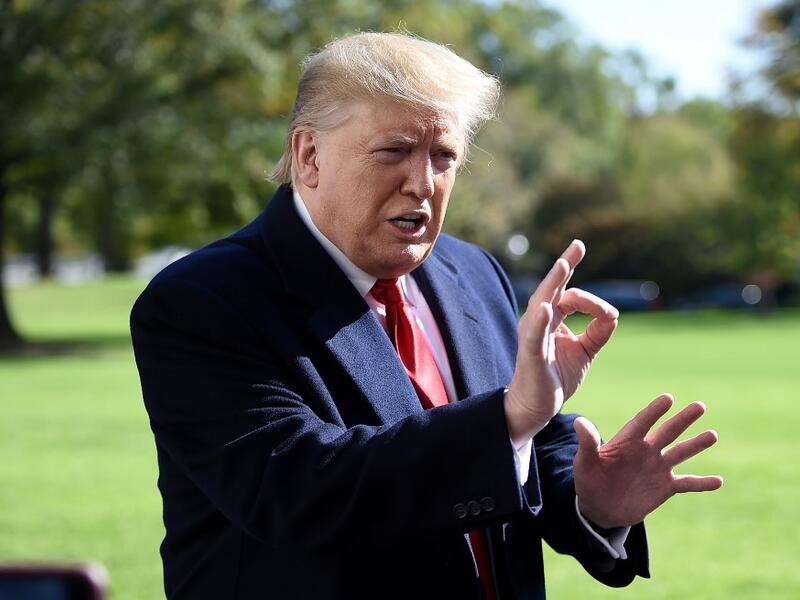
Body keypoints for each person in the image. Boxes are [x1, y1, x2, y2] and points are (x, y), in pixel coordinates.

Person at [131, 32, 723, 600]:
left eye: (444, 156)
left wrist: (589, 502)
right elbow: (299, 491)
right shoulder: (203, 301)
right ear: (307, 155)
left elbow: (519, 444)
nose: (423, 182)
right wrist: (512, 415)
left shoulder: (472, 272)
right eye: (394, 152)